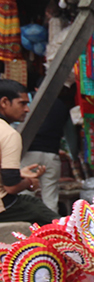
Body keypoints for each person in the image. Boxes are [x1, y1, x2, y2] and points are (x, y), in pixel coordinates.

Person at [0, 80, 54, 224]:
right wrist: (30, 182)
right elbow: (11, 187)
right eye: (22, 103)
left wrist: (18, 174)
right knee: (42, 212)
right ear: (4, 102)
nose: (27, 109)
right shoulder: (8, 134)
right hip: (3, 207)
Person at [22, 85, 74, 215]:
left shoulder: (29, 103)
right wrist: (73, 154)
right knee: (51, 198)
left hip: (29, 154)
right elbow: (70, 134)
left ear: (36, 89)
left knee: (26, 195)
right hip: (52, 155)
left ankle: (27, 231)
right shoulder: (61, 105)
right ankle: (52, 230)